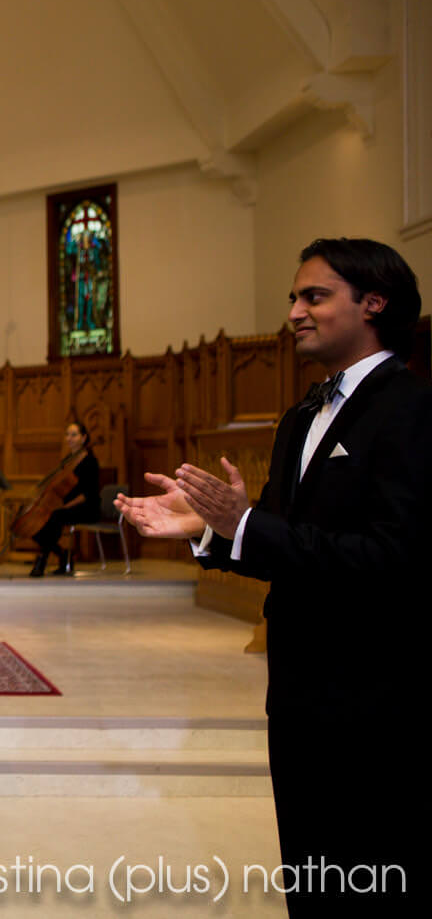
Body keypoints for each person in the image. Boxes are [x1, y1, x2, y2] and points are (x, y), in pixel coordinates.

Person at [116, 237, 428, 915]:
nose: (294, 311)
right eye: (294, 297)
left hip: (373, 704)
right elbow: (283, 544)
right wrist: (207, 527)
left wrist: (246, 522)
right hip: (295, 699)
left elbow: (391, 559)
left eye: (314, 295)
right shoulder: (299, 418)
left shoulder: (409, 411)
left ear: (373, 302)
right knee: (311, 884)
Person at [28, 420, 99, 576]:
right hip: (67, 506)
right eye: (67, 435)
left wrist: (65, 507)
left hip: (87, 507)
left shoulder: (90, 462)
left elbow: (88, 494)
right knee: (35, 520)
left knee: (53, 517)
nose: (69, 438)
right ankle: (63, 555)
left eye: (74, 435)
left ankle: (42, 559)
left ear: (84, 437)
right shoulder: (67, 460)